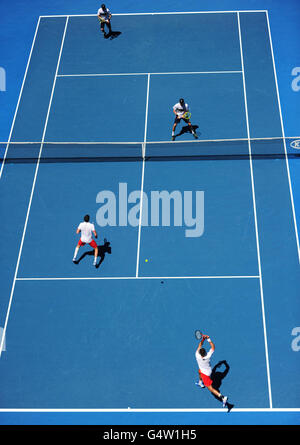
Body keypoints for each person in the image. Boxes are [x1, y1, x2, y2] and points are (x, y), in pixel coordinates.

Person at [195, 334, 228, 408]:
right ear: (205, 352)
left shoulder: (197, 355)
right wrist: (208, 339)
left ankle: (222, 397)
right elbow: (213, 347)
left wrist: (203, 339)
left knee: (211, 389)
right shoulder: (208, 355)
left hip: (205, 374)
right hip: (209, 370)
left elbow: (200, 345)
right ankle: (200, 383)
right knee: (199, 371)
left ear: (200, 353)